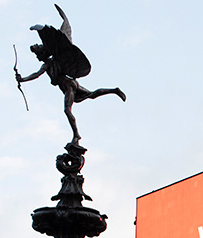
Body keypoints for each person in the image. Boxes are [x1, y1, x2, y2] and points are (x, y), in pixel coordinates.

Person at [17, 5, 126, 146]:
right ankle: (114, 90)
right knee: (91, 95)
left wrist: (23, 79)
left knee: (67, 110)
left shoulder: (50, 63)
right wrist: (22, 79)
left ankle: (76, 136)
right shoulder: (50, 62)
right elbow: (36, 74)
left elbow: (36, 75)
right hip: (72, 83)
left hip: (68, 85)